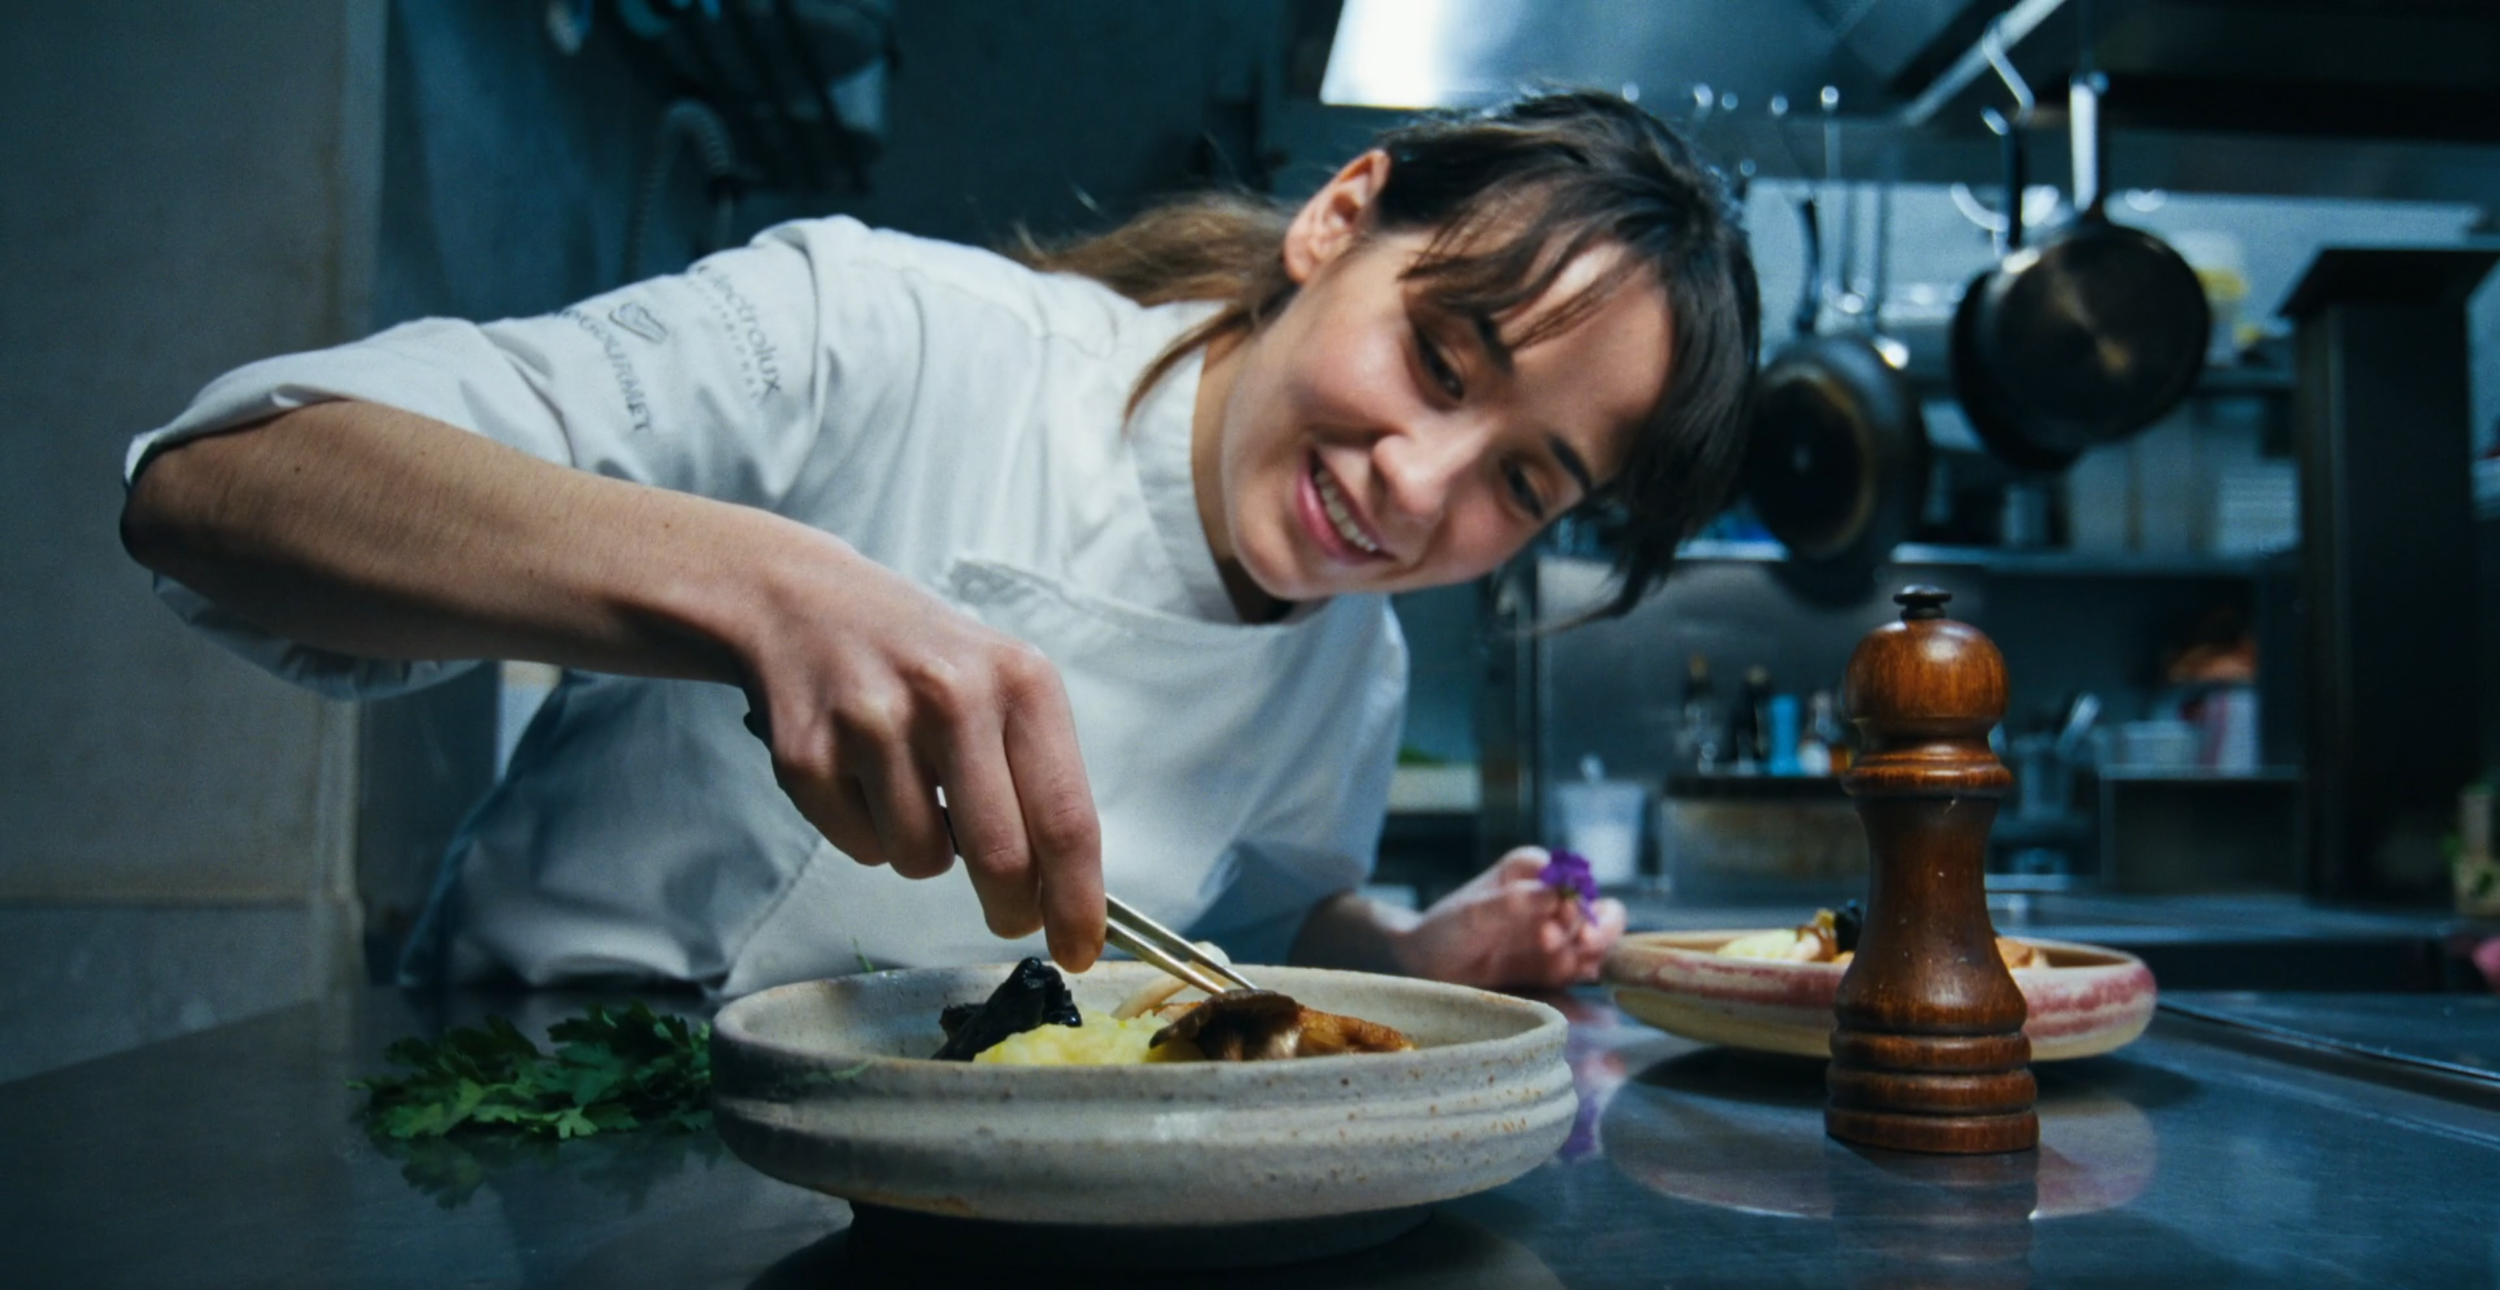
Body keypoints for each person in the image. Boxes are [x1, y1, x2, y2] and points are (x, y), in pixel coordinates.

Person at [118, 91, 1759, 996]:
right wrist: (764, 586)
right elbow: (223, 486)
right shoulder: (890, 331)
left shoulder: (1352, 660)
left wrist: (1400, 949)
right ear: (1338, 219)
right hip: (517, 1157)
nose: (1420, 486)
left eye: (1523, 487)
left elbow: (1243, 920)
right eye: (1439, 359)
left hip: (927, 1245)